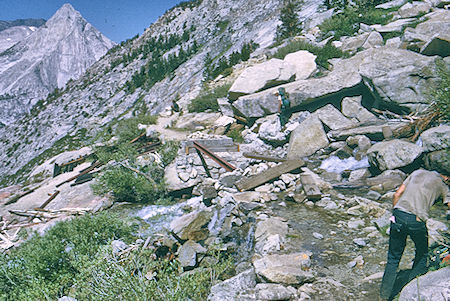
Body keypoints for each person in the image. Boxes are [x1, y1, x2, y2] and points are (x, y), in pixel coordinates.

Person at [379, 168, 449, 300]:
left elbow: (397, 194)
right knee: (422, 254)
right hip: (416, 221)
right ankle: (409, 291)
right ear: (446, 177)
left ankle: (383, 296)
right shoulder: (443, 185)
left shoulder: (416, 172)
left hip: (398, 216)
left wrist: (395, 213)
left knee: (393, 259)